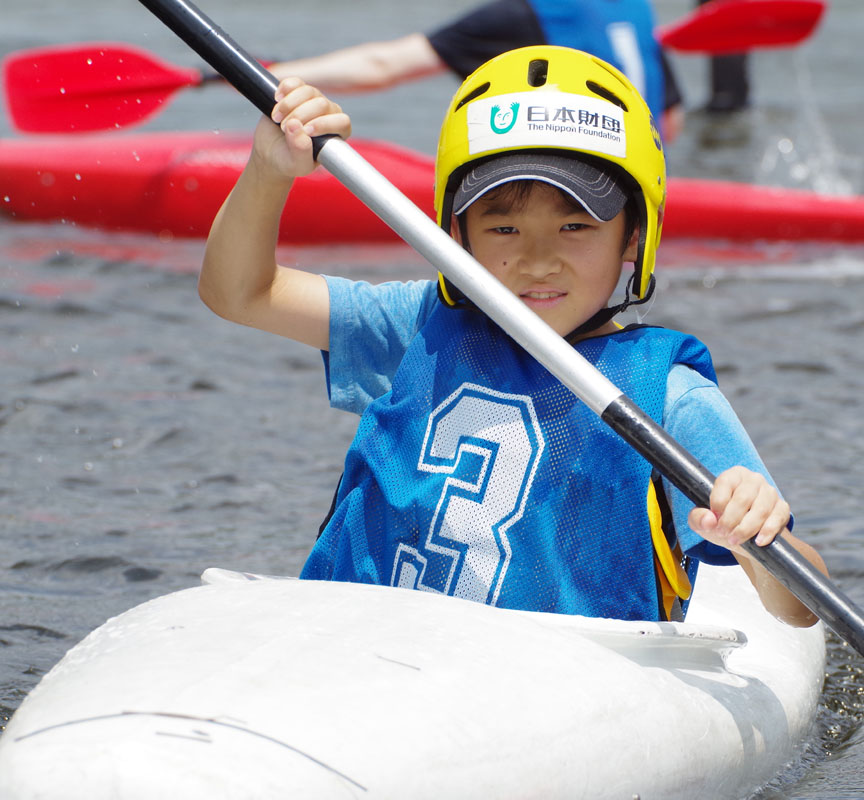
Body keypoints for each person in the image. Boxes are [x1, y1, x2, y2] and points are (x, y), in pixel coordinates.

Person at [200, 44, 826, 626]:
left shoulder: (669, 398)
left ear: (635, 238)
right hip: (365, 646)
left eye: (576, 227)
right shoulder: (421, 326)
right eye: (503, 229)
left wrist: (757, 538)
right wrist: (268, 168)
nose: (537, 260)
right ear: (458, 237)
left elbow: (801, 609)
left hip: (546, 701)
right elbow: (239, 292)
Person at [269, 0, 685, 141]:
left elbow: (382, 67)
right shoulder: (634, 7)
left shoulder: (519, 15)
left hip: (574, 191)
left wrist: (263, 73)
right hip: (643, 177)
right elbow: (670, 119)